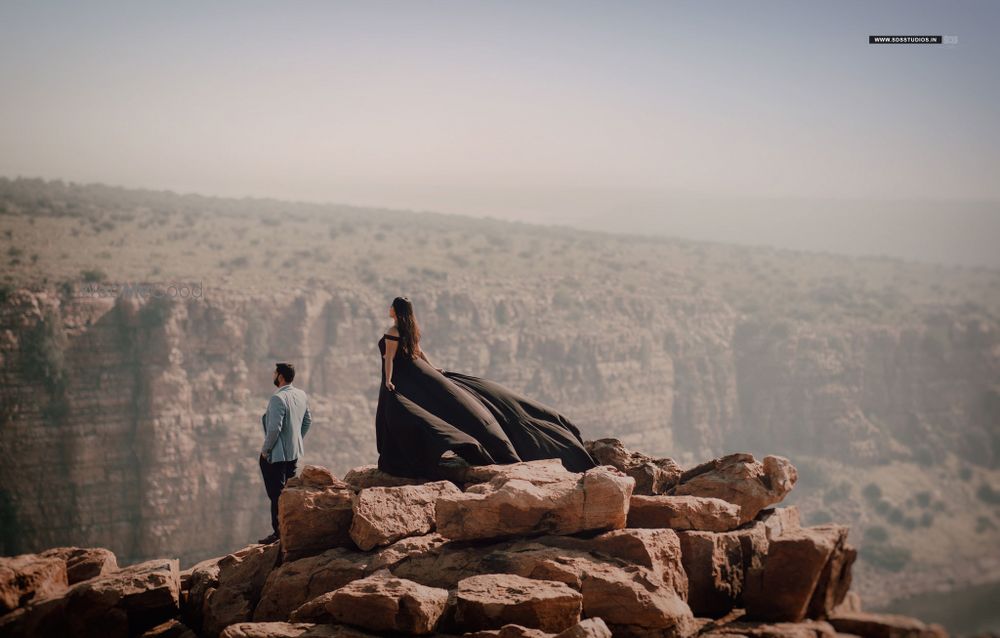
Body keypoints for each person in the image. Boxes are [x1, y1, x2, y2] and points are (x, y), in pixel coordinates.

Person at [375, 296, 598, 480]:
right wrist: (433, 369)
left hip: (405, 376)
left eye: (391, 306)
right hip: (418, 371)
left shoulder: (393, 331)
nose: (389, 309)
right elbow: (419, 352)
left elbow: (389, 359)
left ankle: (403, 458)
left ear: (397, 310)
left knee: (400, 412)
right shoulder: (408, 329)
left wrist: (388, 380)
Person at [258, 362, 312, 544]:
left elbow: (274, 429)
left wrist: (265, 451)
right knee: (288, 491)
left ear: (280, 376)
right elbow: (307, 421)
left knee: (276, 495)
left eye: (274, 373)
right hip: (293, 454)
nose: (273, 376)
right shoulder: (301, 394)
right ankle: (290, 529)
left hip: (276, 456)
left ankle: (278, 533)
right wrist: (296, 439)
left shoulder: (277, 399)